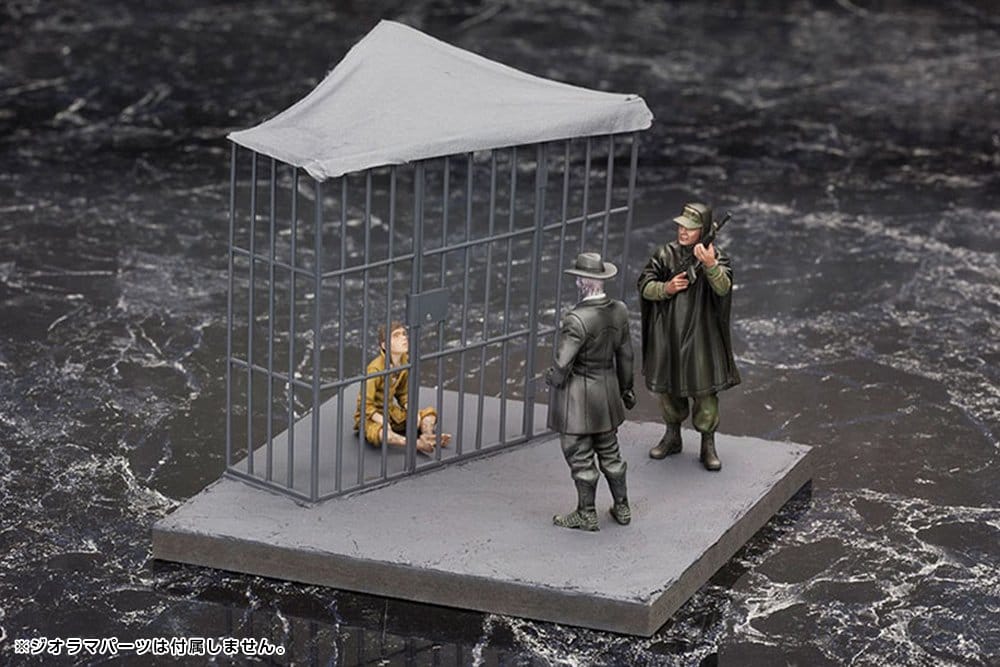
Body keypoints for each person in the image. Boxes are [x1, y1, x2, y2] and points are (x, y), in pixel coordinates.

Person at [637, 202, 741, 471]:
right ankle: (672, 436)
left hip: (701, 338)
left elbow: (723, 288)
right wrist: (666, 288)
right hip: (669, 334)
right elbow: (645, 284)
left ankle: (708, 444)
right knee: (668, 391)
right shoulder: (665, 254)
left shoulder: (716, 257)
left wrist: (710, 265)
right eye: (681, 226)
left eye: (691, 228)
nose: (683, 231)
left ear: (703, 231)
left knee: (705, 394)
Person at [546, 252, 636, 531]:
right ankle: (622, 506)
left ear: (584, 283)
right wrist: (627, 388)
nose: (577, 283)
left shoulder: (576, 319)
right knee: (610, 452)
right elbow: (626, 355)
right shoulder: (619, 310)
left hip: (579, 401)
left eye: (578, 279)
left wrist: (553, 379)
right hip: (607, 395)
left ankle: (586, 513)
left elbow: (562, 363)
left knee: (579, 454)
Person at [354, 321, 451, 454]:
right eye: (396, 335)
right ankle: (414, 444)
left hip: (391, 412)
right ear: (385, 345)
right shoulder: (375, 369)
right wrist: (381, 420)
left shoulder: (404, 362)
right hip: (371, 417)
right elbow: (364, 404)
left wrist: (411, 411)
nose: (404, 338)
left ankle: (427, 436)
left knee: (429, 414)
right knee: (382, 433)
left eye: (404, 334)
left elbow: (403, 393)